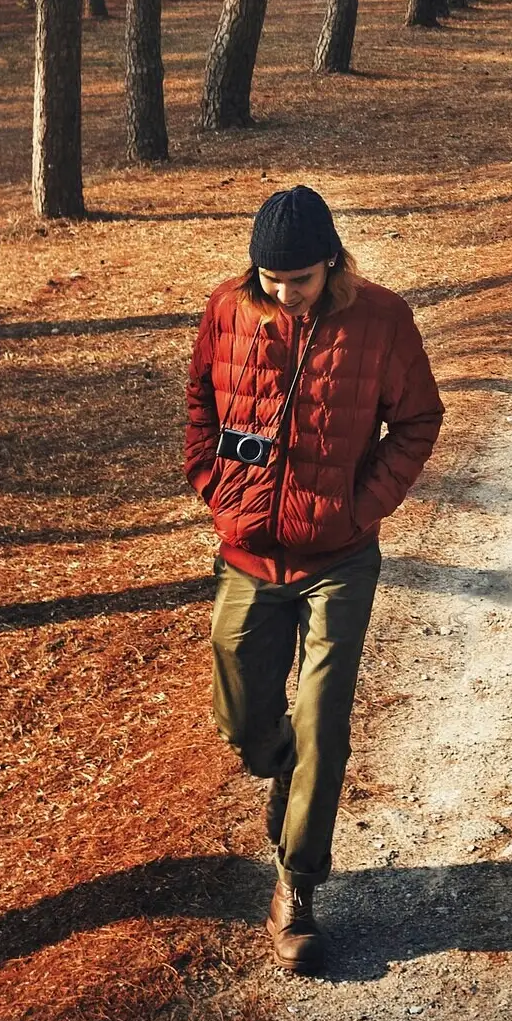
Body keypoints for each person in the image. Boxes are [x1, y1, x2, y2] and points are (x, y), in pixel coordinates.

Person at [184, 186, 443, 973]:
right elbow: (200, 402)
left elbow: (420, 421)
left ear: (331, 261)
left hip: (339, 559)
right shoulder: (228, 310)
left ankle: (296, 888)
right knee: (241, 710)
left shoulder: (382, 319)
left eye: (297, 278)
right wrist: (213, 486)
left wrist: (360, 507)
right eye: (271, 277)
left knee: (324, 720)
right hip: (248, 552)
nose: (283, 292)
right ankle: (279, 764)